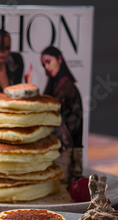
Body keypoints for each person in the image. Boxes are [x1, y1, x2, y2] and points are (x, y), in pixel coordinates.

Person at [41, 46, 83, 183]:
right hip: (55, 147)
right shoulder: (56, 85)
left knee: (61, 185)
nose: (46, 67)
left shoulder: (68, 87)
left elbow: (74, 121)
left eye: (48, 61)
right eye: (43, 64)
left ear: (59, 59)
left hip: (65, 150)